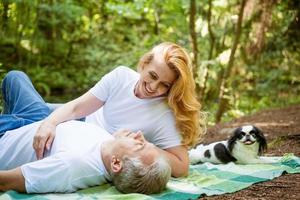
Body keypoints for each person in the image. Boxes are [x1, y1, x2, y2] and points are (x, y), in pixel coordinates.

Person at [2, 42, 206, 177]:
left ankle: (15, 130)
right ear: (144, 65)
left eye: (164, 85)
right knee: (15, 78)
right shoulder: (121, 77)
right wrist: (49, 123)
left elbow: (182, 165)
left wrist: (147, 146)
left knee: (29, 113)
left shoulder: (163, 114)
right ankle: (17, 131)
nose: (154, 87)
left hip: (79, 138)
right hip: (79, 118)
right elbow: (76, 108)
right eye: (152, 76)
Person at [0, 120, 171, 194]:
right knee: (16, 78)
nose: (140, 134)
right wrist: (117, 139)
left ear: (116, 163)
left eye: (140, 145)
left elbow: (4, 181)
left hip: (6, 134)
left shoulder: (71, 165)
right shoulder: (111, 148)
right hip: (37, 122)